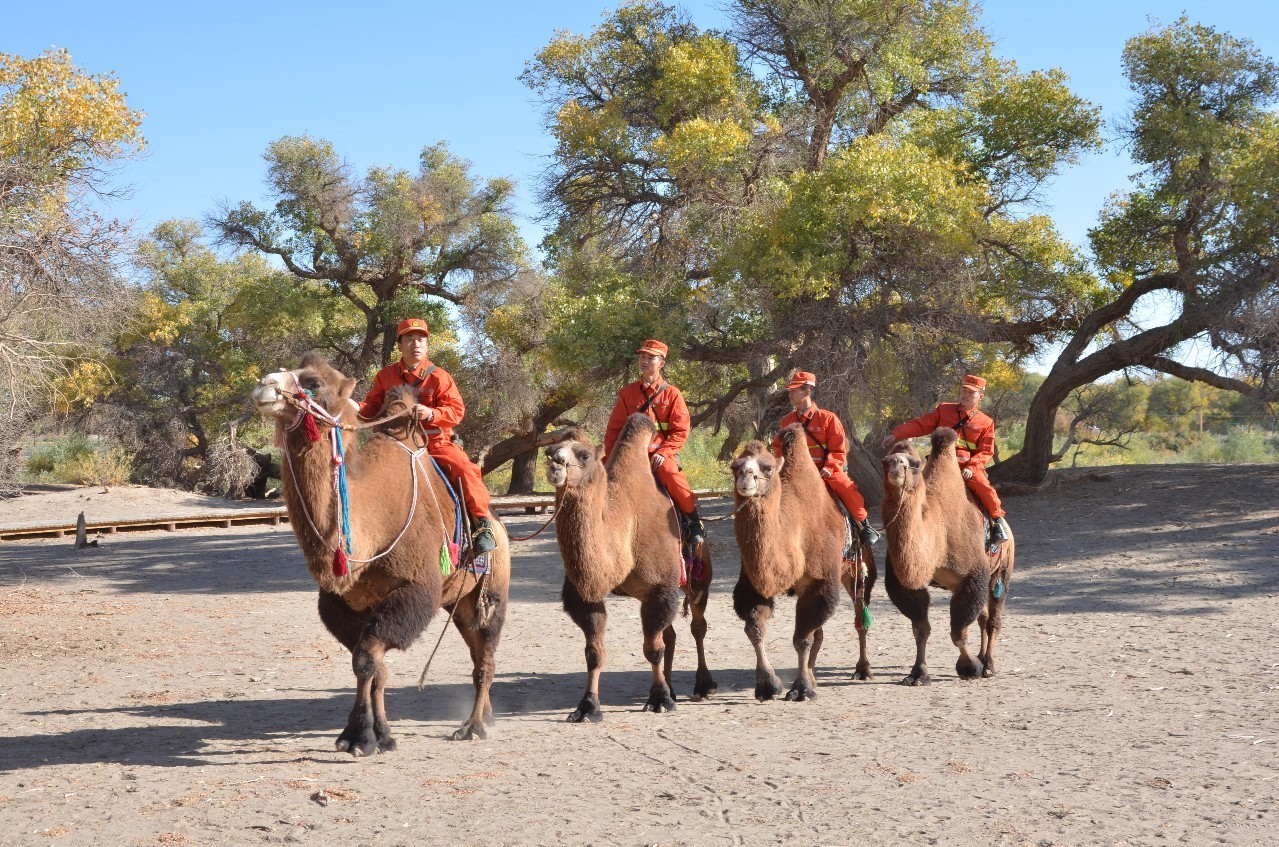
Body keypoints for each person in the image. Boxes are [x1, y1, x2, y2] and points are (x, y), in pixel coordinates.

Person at [357, 317, 496, 553]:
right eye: (409, 338)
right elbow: (370, 409)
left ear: (427, 345)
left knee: (463, 468)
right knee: (361, 469)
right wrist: (352, 407)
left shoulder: (440, 377)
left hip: (435, 444)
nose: (416, 344)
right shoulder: (385, 376)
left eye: (421, 339)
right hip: (394, 444)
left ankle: (482, 523)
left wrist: (431, 414)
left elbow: (456, 411)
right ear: (399, 345)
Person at [880, 374, 1010, 546]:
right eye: (964, 390)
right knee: (913, 482)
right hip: (938, 461)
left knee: (981, 485)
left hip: (966, 466)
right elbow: (920, 424)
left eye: (971, 392)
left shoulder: (986, 422)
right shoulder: (944, 410)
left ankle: (997, 521)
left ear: (981, 396)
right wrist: (895, 434)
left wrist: (972, 467)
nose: (965, 394)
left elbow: (986, 451)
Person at [604, 339, 706, 554]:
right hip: (630, 454)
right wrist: (613, 456)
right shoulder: (627, 393)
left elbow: (681, 431)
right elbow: (614, 430)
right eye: (642, 356)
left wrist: (665, 451)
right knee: (601, 474)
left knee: (670, 473)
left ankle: (693, 520)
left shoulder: (673, 394)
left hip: (659, 453)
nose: (645, 360)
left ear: (662, 362)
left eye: (651, 357)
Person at [772, 371, 879, 546]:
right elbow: (779, 447)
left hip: (826, 470)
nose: (790, 394)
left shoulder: (828, 419)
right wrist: (781, 466)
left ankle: (864, 526)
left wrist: (829, 467)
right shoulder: (787, 421)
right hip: (798, 473)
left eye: (794, 390)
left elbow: (838, 449)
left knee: (845, 487)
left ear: (807, 392)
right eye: (790, 390)